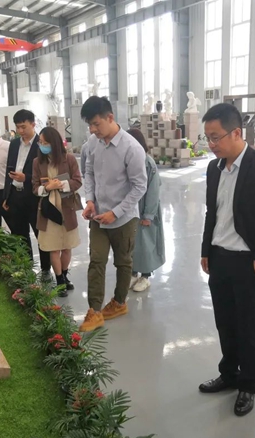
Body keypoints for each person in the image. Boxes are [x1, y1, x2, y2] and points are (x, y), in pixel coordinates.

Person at [199, 103, 255, 416]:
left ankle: (248, 384)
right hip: (219, 257)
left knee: (248, 325)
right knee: (225, 321)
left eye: (215, 137)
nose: (211, 144)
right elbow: (212, 212)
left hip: (248, 260)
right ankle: (229, 373)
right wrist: (206, 250)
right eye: (207, 138)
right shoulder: (214, 169)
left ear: (236, 133)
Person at [79, 96, 147, 332]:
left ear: (110, 118)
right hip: (98, 216)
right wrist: (89, 200)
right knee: (96, 261)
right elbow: (89, 172)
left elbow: (139, 186)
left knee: (123, 261)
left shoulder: (131, 148)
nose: (93, 129)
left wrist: (116, 213)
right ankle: (94, 311)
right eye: (90, 125)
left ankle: (119, 302)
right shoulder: (93, 143)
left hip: (124, 218)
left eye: (96, 124)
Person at [32, 127, 82, 297]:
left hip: (66, 208)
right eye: (40, 142)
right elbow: (34, 188)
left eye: (45, 142)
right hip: (49, 211)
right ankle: (59, 280)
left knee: (67, 247)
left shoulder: (69, 159)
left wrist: (62, 185)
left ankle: (65, 275)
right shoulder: (37, 162)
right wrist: (47, 187)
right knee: (54, 248)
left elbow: (77, 181)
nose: (42, 145)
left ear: (54, 143)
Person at [3, 109, 51, 278]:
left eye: (24, 127)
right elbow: (8, 171)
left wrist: (27, 178)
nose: (20, 131)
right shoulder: (14, 144)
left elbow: (47, 174)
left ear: (33, 124)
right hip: (16, 196)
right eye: (18, 127)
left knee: (41, 234)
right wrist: (6, 196)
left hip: (34, 197)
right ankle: (26, 267)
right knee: (19, 234)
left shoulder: (42, 145)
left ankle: (46, 269)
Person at [126, 128, 165, 292]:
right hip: (131, 210)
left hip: (145, 210)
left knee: (146, 244)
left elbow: (153, 190)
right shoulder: (129, 160)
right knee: (132, 244)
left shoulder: (148, 163)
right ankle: (133, 273)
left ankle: (146, 276)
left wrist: (148, 215)